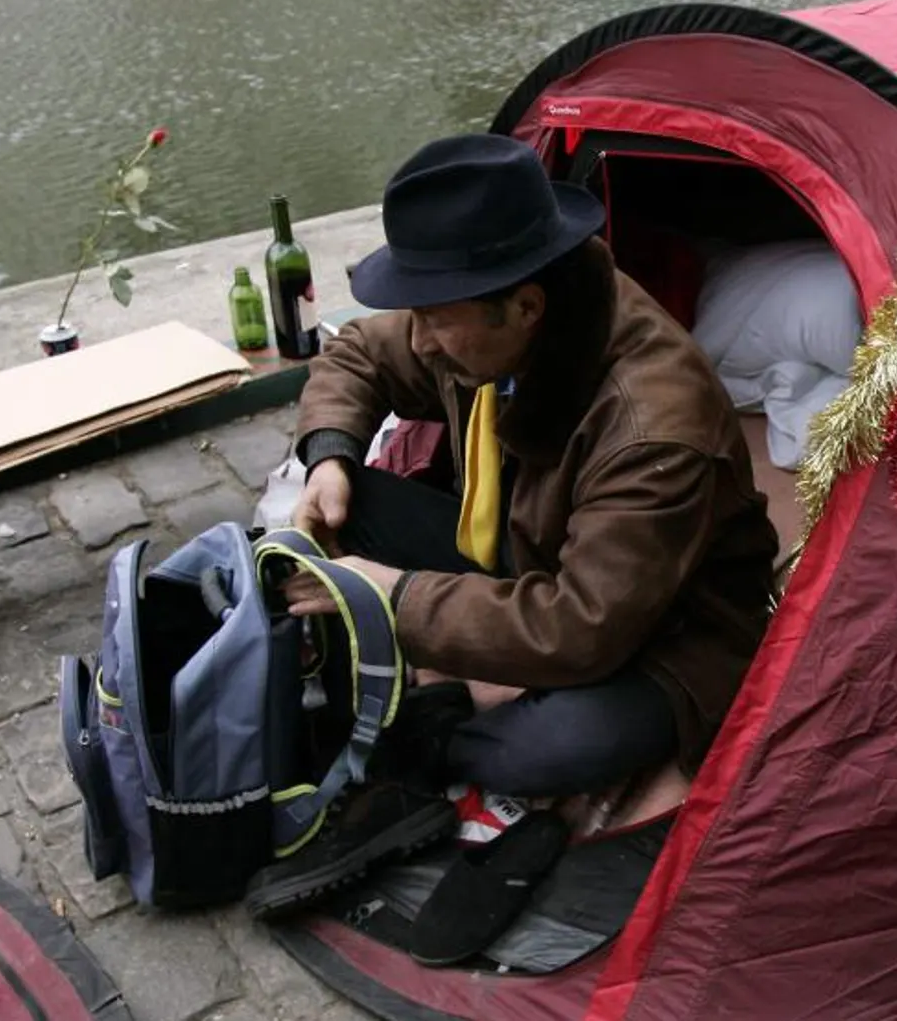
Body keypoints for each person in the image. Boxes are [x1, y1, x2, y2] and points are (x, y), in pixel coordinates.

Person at [244, 133, 780, 924]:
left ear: (525, 308)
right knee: (348, 496)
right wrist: (327, 455)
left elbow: (579, 628)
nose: (419, 340)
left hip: (664, 633)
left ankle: (416, 746)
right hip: (521, 555)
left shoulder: (654, 426)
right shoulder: (487, 314)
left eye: (433, 320)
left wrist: (399, 599)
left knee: (544, 751)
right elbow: (358, 353)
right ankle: (422, 693)